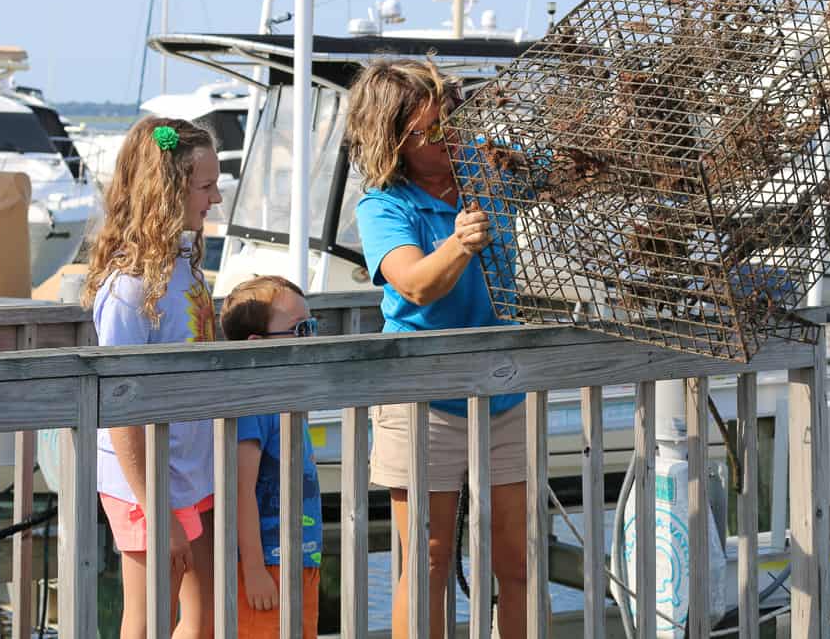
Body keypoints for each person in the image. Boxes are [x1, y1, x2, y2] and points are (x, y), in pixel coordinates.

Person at [347, 58, 528, 638]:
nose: (447, 136)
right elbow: (417, 283)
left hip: (502, 389)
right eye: (429, 131)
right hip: (421, 399)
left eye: (450, 119)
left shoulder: (489, 167)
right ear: (392, 140)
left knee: (517, 559)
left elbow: (575, 167)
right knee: (428, 559)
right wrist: (460, 242)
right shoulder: (383, 205)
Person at [83, 117, 222, 639]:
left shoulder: (185, 262)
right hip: (147, 481)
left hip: (192, 470)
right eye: (205, 187)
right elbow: (120, 410)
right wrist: (154, 506)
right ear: (167, 191)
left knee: (202, 615)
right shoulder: (127, 289)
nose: (216, 198)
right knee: (150, 618)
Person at [219, 275, 323, 639]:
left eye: (313, 327)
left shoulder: (287, 399)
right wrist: (254, 569)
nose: (311, 338)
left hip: (300, 560)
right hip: (268, 564)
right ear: (257, 344)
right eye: (299, 330)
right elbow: (240, 490)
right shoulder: (254, 407)